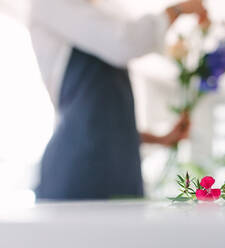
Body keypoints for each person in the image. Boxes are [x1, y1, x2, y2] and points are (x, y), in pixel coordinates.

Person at [29, 0, 209, 200]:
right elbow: (124, 43)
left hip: (122, 173)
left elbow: (106, 122)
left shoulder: (98, 17)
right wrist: (177, 10)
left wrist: (161, 139)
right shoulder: (50, 5)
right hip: (78, 173)